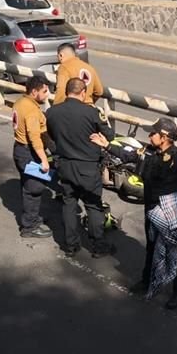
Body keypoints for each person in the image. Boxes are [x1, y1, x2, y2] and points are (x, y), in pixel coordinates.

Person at [91, 117, 177, 310]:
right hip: (151, 210)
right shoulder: (149, 152)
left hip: (171, 214)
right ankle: (146, 280)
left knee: (176, 252)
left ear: (165, 137)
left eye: (153, 133)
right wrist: (107, 145)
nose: (149, 135)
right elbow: (129, 155)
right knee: (151, 246)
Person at [46, 78, 114, 257]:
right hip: (88, 167)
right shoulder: (91, 112)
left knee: (69, 203)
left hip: (65, 165)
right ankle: (98, 246)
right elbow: (109, 134)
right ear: (83, 92)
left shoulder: (52, 112)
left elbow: (51, 136)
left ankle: (71, 245)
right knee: (93, 206)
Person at [12, 75, 54, 238]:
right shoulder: (31, 111)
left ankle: (33, 218)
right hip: (28, 153)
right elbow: (34, 137)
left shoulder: (21, 102)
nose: (47, 94)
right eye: (44, 91)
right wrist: (44, 160)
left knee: (28, 186)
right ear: (34, 91)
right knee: (33, 190)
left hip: (20, 149)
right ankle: (30, 226)